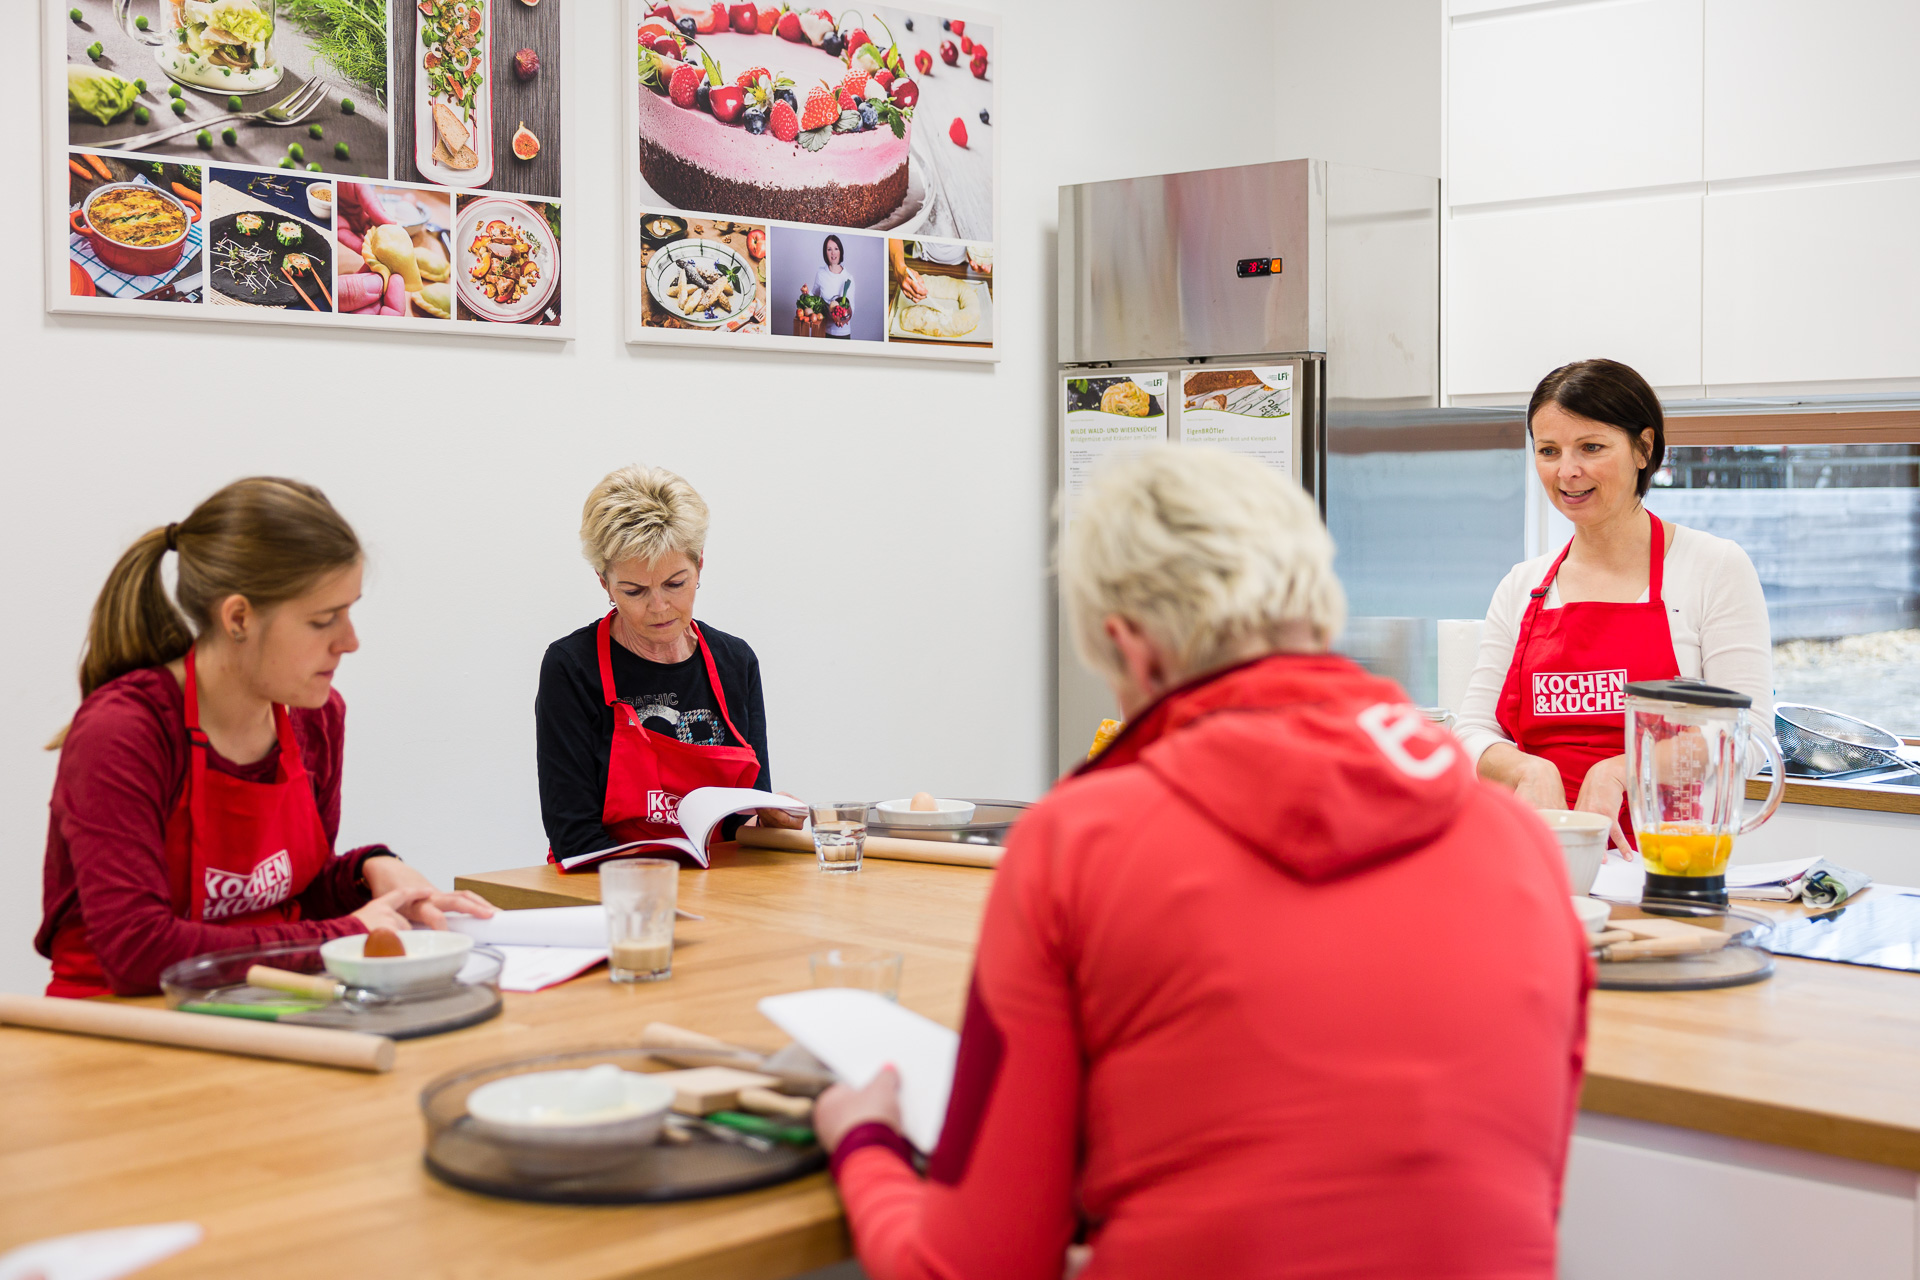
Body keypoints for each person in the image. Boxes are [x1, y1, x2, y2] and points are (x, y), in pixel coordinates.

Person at [813, 446, 1590, 1279]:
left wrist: (865, 1137)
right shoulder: (1519, 843)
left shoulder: (1080, 843)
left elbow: (968, 1269)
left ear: (1133, 651)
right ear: (1316, 608)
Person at [37, 478, 494, 999]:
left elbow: (289, 893)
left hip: (260, 1007)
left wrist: (368, 873)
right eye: (324, 620)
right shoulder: (123, 732)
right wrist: (348, 932)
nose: (350, 642)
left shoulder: (313, 718)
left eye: (350, 611)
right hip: (116, 1027)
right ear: (238, 619)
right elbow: (138, 951)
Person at [1455, 358, 1773, 847]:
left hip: (1668, 859)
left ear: (1643, 448)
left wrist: (1625, 771)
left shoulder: (1713, 567)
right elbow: (1473, 731)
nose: (1567, 472)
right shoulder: (1522, 585)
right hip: (1536, 856)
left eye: (1591, 447)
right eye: (1548, 450)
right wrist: (1527, 770)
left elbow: (1748, 735)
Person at [536, 465, 799, 869]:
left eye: (675, 584)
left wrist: (770, 817)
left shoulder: (735, 661)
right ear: (603, 582)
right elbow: (575, 838)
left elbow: (743, 821)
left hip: (721, 886)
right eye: (634, 590)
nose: (658, 607)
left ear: (700, 567)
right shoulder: (572, 668)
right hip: (607, 888)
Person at [804, 234, 855, 339]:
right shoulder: (821, 274)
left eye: (836, 249)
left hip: (843, 333)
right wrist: (806, 292)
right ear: (825, 252)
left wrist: (844, 320)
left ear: (840, 251)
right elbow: (815, 297)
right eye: (829, 249)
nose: (833, 253)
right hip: (824, 329)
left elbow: (852, 308)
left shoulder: (848, 278)